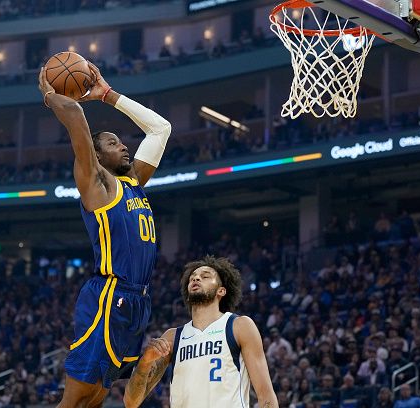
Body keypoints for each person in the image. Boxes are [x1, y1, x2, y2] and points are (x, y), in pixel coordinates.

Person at [38, 61, 171, 408]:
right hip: (108, 297)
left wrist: (110, 95)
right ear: (96, 155)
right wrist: (52, 97)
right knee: (77, 399)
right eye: (113, 143)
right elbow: (78, 119)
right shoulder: (96, 183)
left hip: (137, 300)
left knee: (97, 397)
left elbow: (160, 129)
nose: (124, 146)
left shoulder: (133, 183)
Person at [123, 255, 278, 407]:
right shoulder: (173, 337)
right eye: (193, 277)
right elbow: (131, 402)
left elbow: (265, 395)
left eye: (205, 276)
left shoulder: (239, 326)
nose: (196, 279)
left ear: (221, 291)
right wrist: (145, 362)